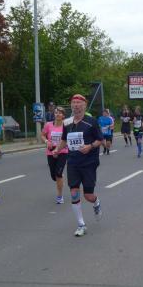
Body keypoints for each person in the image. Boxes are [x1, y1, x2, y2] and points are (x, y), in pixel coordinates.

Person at [55, 94, 104, 237]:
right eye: (73, 102)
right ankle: (81, 224)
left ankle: (96, 202)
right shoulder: (67, 123)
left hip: (89, 163)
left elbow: (100, 140)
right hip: (73, 162)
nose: (76, 105)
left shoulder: (92, 122)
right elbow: (64, 140)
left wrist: (90, 146)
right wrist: (57, 150)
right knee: (74, 193)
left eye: (78, 102)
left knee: (88, 195)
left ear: (84, 105)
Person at [42, 107, 68, 204]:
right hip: (50, 152)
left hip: (62, 151)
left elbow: (68, 139)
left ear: (63, 116)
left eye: (60, 113)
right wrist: (46, 141)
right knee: (54, 176)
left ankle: (60, 196)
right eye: (56, 113)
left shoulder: (66, 126)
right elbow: (42, 135)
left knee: (58, 174)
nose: (57, 114)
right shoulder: (48, 125)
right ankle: (59, 177)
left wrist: (60, 148)